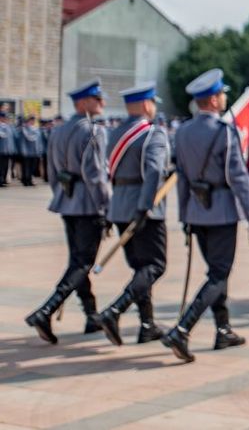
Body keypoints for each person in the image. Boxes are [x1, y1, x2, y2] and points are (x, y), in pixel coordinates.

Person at [162, 68, 249, 363]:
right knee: (218, 274)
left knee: (216, 273)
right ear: (214, 100)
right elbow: (239, 178)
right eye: (222, 94)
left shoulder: (182, 132)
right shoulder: (224, 132)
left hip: (196, 210)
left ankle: (223, 329)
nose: (224, 98)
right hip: (221, 211)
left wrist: (184, 218)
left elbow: (180, 177)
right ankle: (183, 328)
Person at [25, 79, 110, 344]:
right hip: (88, 204)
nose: (102, 103)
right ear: (84, 103)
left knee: (78, 261)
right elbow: (95, 174)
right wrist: (106, 205)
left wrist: (61, 195)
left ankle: (91, 314)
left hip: (67, 201)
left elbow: (51, 171)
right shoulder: (93, 131)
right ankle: (46, 310)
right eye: (97, 99)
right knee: (83, 262)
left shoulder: (59, 130)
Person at [97, 82, 171, 347]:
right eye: (152, 102)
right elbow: (153, 171)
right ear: (144, 104)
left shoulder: (115, 132)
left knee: (141, 268)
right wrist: (145, 206)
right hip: (143, 207)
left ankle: (147, 324)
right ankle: (115, 310)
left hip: (119, 206)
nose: (154, 108)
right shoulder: (153, 133)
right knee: (155, 266)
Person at [18, 116, 45, 186]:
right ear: (28, 121)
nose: (32, 122)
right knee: (26, 167)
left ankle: (30, 179)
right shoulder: (24, 130)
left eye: (33, 120)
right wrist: (23, 151)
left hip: (35, 152)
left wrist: (39, 150)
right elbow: (22, 142)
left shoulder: (36, 130)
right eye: (31, 120)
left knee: (32, 168)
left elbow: (39, 142)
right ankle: (27, 180)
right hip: (27, 152)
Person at [0, 109, 13, 187]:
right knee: (1, 166)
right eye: (4, 117)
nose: (5, 119)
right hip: (1, 150)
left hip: (7, 150)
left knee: (5, 166)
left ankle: (4, 180)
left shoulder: (7, 126)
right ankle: (0, 181)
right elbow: (3, 135)